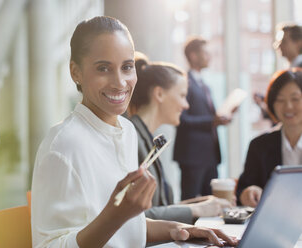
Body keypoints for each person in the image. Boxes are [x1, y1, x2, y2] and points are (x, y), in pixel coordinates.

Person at [31, 16, 237, 247]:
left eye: (127, 67)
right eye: (103, 68)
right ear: (75, 72)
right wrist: (115, 216)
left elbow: (130, 229)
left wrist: (181, 229)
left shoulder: (127, 130)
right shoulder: (63, 147)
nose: (120, 82)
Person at [129, 52, 233, 225]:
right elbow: (134, 219)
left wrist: (201, 204)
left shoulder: (144, 136)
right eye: (182, 95)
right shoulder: (130, 138)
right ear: (159, 94)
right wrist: (196, 209)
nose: (186, 105)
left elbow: (159, 207)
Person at [173, 37, 233, 201]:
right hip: (193, 156)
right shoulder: (184, 82)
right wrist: (212, 121)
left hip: (210, 154)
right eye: (206, 53)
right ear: (193, 55)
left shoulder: (204, 84)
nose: (210, 57)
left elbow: (207, 116)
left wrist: (223, 117)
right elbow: (181, 119)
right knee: (190, 201)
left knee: (212, 202)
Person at [236, 68, 302, 207]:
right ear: (272, 104)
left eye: (295, 99)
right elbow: (243, 188)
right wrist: (249, 192)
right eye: (280, 100)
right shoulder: (259, 146)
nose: (288, 106)